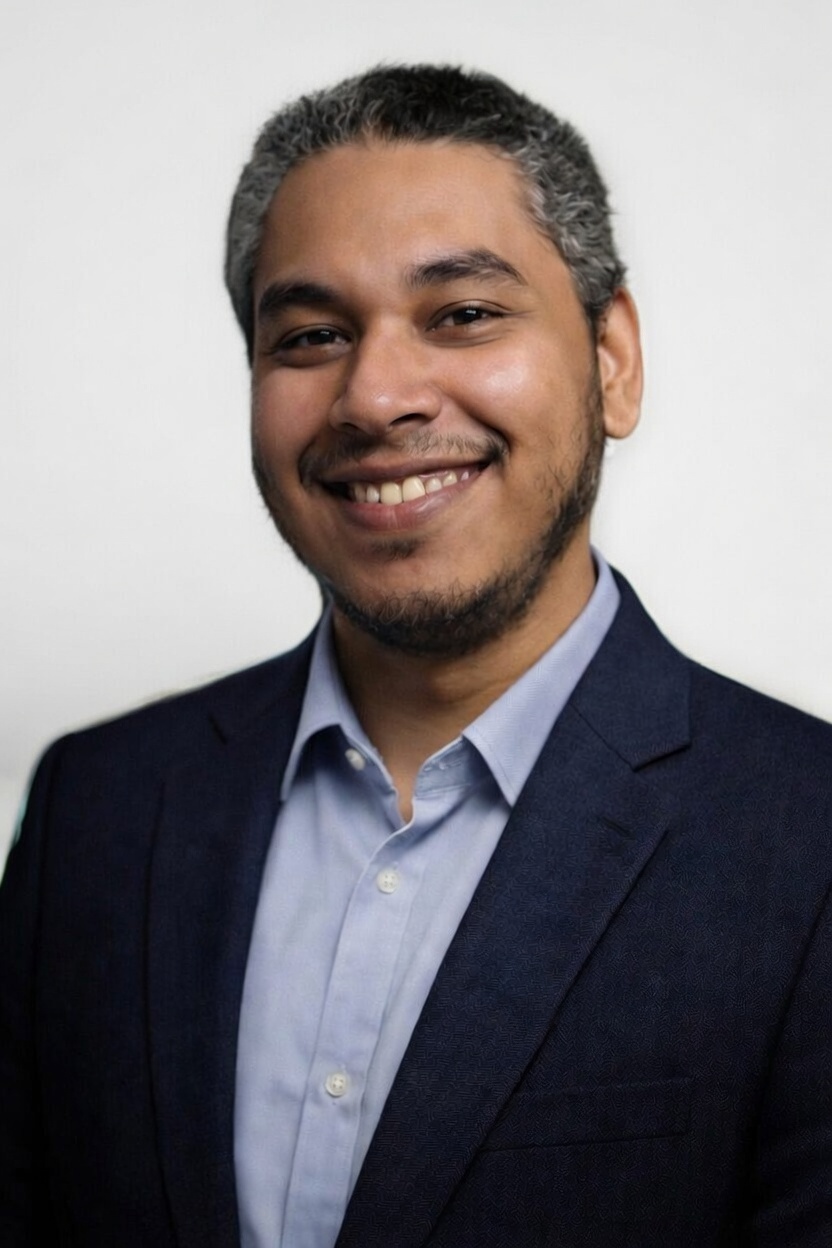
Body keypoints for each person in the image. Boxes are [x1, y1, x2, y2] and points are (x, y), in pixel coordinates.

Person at [1, 63, 831, 1248]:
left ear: (611, 359)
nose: (375, 396)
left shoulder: (806, 839)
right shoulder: (96, 808)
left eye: (463, 315)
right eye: (311, 335)